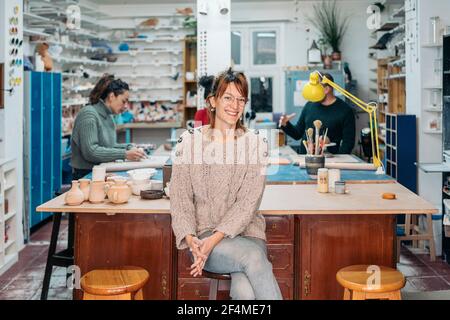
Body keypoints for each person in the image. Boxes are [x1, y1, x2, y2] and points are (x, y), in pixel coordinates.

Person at [170, 68, 282, 300]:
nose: (235, 105)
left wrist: (213, 241)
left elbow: (247, 203)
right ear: (212, 101)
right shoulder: (189, 142)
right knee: (252, 260)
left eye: (241, 99)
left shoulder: (255, 144)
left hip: (249, 235)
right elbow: (180, 199)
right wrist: (192, 241)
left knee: (245, 291)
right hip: (203, 235)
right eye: (228, 97)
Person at [71, 74, 146, 180]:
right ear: (111, 97)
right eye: (123, 101)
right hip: (85, 176)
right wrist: (124, 154)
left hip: (101, 171)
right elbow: (91, 152)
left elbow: (108, 146)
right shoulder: (88, 114)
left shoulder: (109, 116)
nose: (125, 106)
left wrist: (128, 147)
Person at [279, 73, 356, 154]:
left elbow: (348, 144)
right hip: (305, 158)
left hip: (330, 161)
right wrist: (285, 125)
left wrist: (337, 161)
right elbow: (297, 134)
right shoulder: (309, 105)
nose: (313, 92)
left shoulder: (345, 111)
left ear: (326, 89)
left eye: (316, 88)